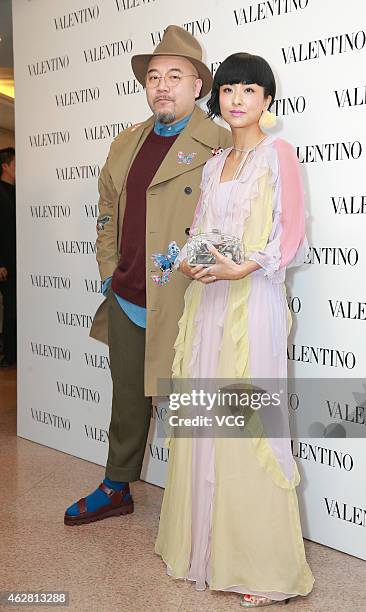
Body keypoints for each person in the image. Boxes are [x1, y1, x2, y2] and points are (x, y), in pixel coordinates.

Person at [155, 53, 315, 606]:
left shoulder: (280, 156)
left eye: (249, 89)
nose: (237, 99)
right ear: (216, 99)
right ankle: (205, 550)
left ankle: (260, 566)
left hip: (254, 301)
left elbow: (290, 235)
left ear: (267, 99)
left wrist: (242, 267)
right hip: (208, 302)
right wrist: (192, 261)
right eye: (227, 90)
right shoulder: (211, 162)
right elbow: (203, 229)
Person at [64, 26, 231, 526]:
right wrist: (107, 273)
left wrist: (196, 270)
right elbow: (106, 211)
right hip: (127, 294)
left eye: (175, 76)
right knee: (128, 397)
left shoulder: (218, 143)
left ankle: (198, 500)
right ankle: (117, 485)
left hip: (186, 295)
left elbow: (229, 223)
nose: (162, 85)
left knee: (192, 399)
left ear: (198, 85)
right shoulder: (126, 142)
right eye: (154, 76)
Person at [0, 147, 17, 368]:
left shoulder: (17, 192)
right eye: (15, 165)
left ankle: (13, 353)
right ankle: (9, 355)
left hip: (16, 263)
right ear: (5, 167)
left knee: (14, 309)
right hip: (5, 264)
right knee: (10, 309)